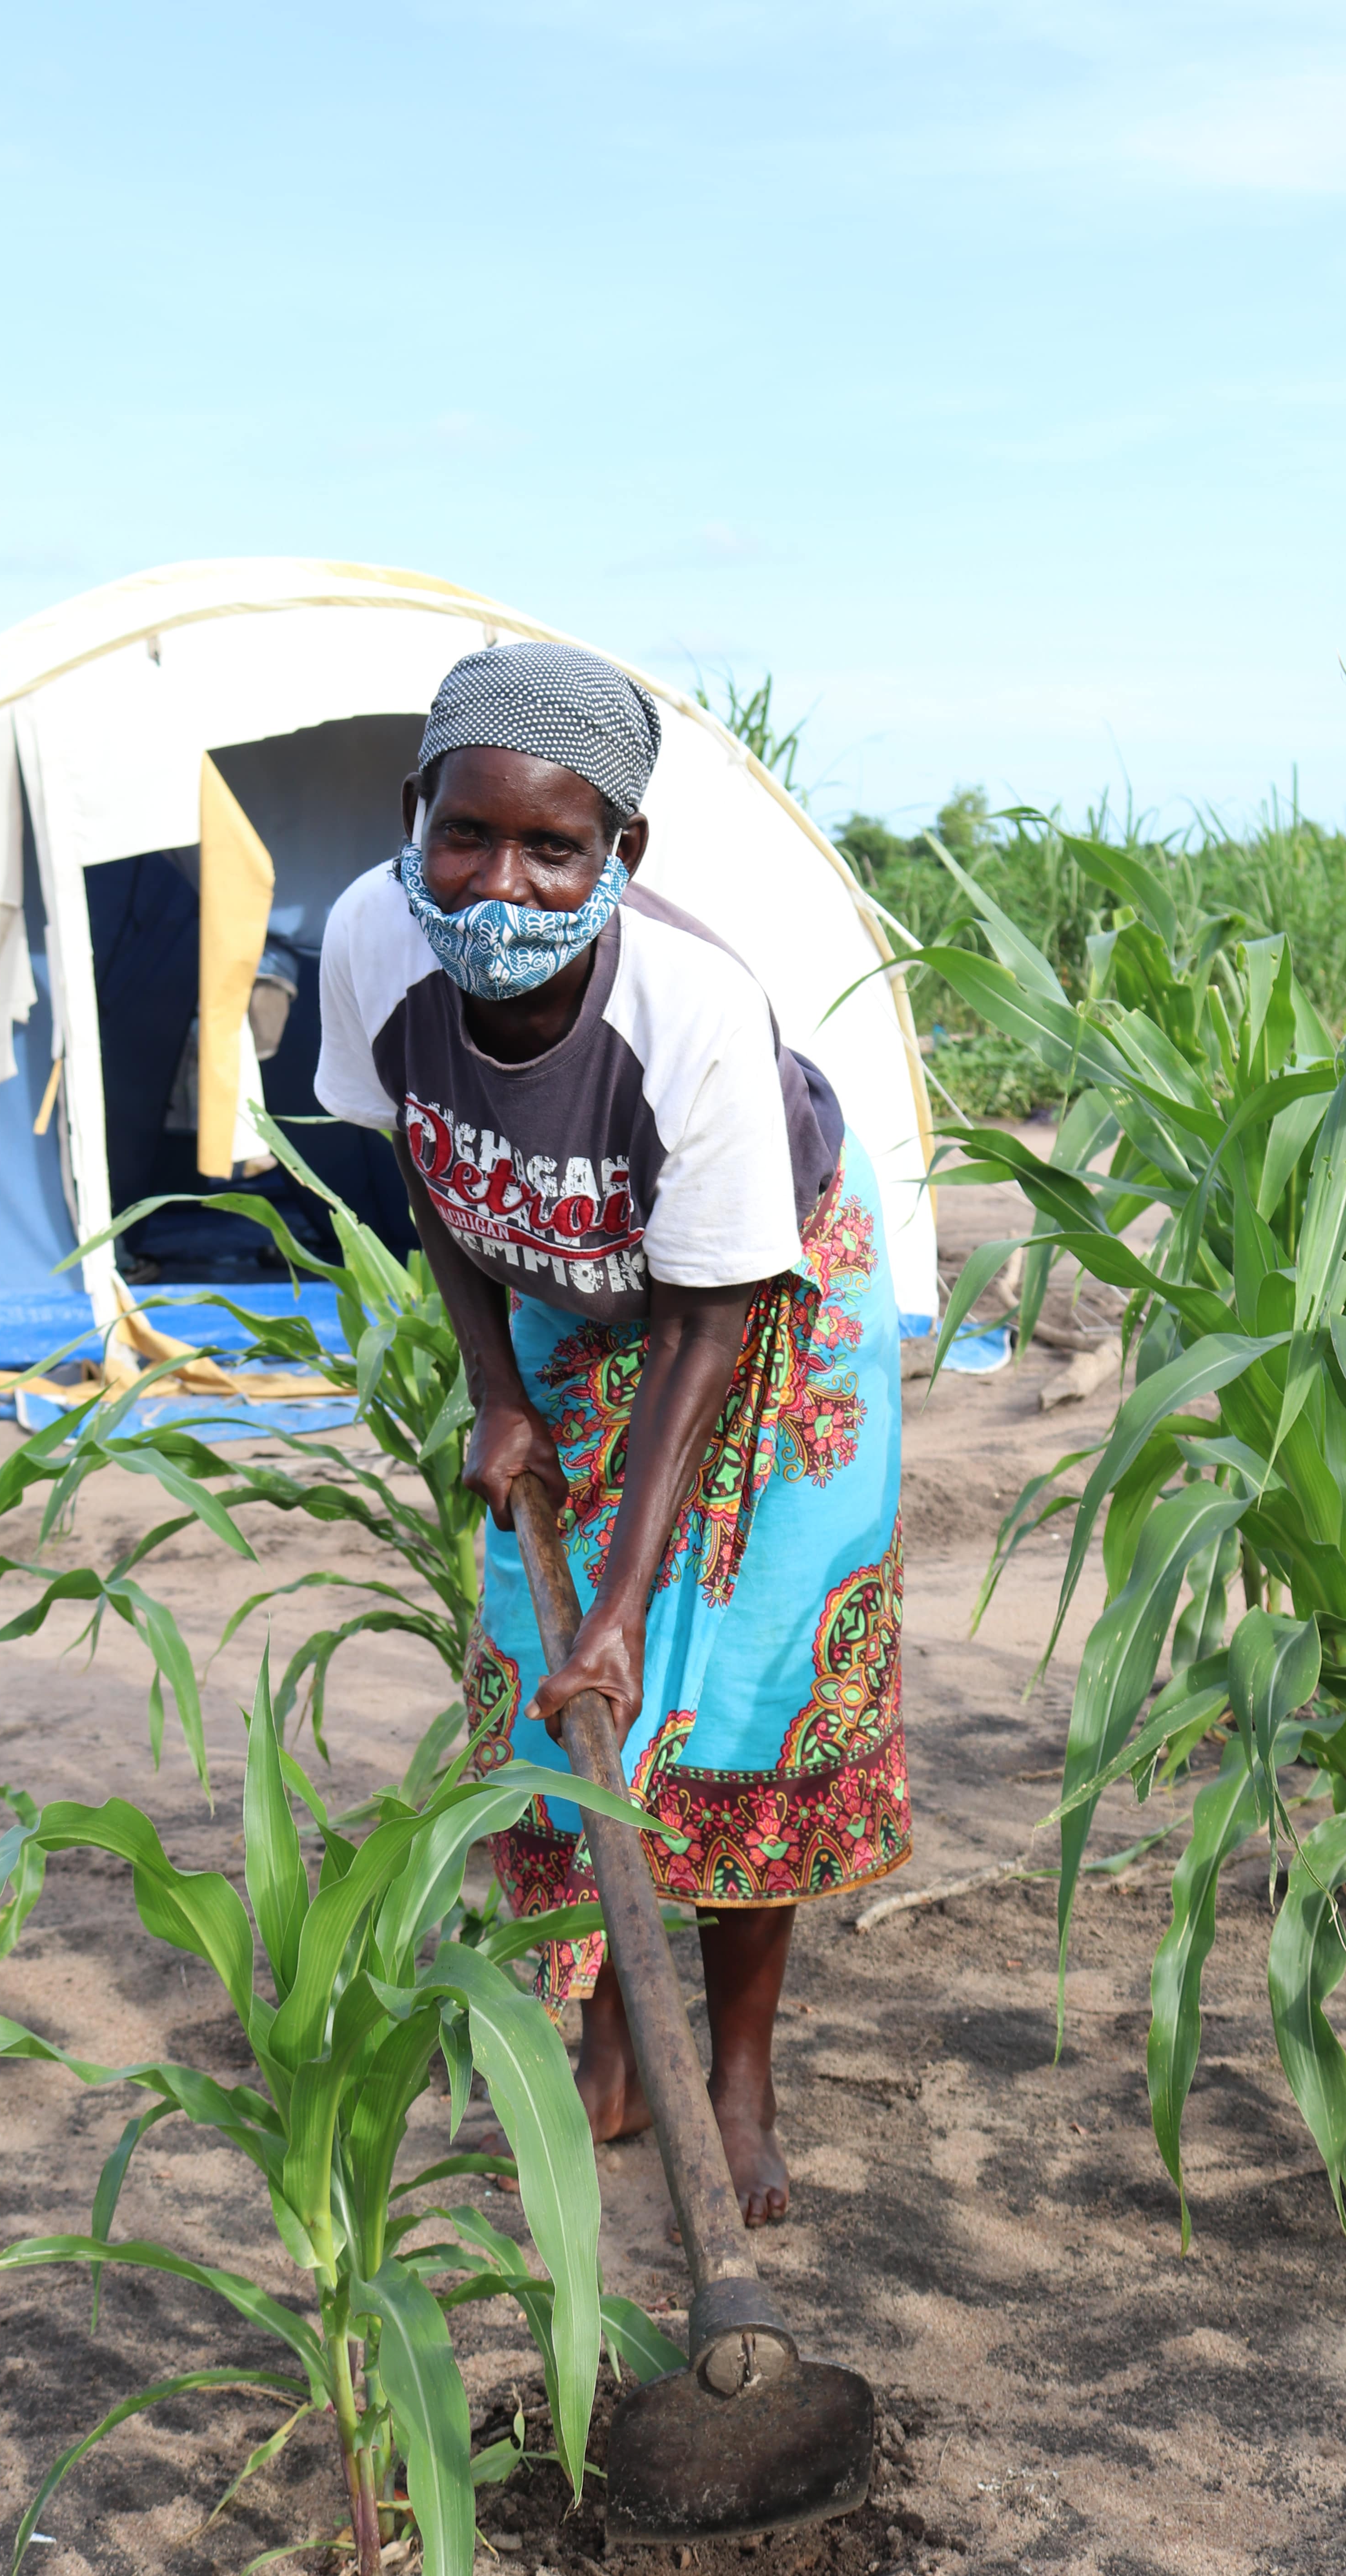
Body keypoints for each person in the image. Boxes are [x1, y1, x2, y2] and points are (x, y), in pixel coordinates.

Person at [315, 642, 908, 2225]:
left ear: (619, 856)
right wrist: (497, 1385)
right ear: (415, 815)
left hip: (768, 1306)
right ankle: (608, 2044)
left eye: (553, 849)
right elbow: (431, 1170)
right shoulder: (374, 940)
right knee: (549, 1685)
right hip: (561, 1293)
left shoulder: (694, 1007)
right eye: (468, 834)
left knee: (752, 1698)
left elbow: (711, 1321)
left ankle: (738, 2070)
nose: (499, 885)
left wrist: (634, 1597)